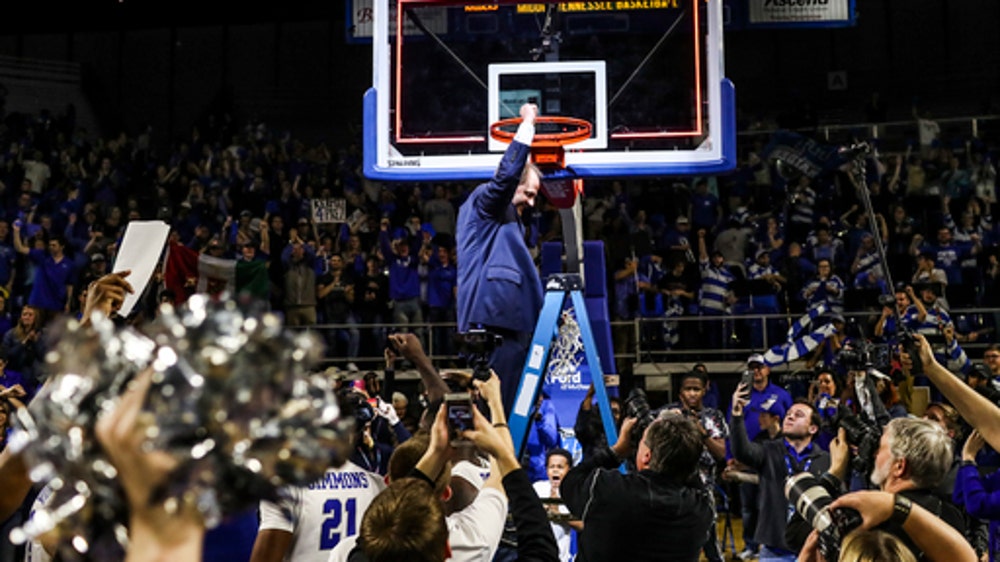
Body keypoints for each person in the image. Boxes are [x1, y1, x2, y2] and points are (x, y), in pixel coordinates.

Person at [456, 103, 544, 413]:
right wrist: (528, 124)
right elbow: (507, 176)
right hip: (494, 326)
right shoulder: (485, 202)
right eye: (529, 194)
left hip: (509, 328)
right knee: (500, 421)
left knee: (514, 420)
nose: (532, 203)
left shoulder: (508, 221)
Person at [560, 410, 713, 561]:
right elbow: (695, 479)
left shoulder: (608, 489)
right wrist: (683, 442)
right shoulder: (699, 510)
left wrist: (617, 451)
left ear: (647, 456)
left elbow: (571, 482)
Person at [731, 385, 830, 562]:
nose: (790, 416)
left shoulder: (825, 460)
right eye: (789, 413)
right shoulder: (768, 450)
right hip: (774, 551)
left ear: (813, 429)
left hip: (814, 550)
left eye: (798, 415)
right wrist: (737, 414)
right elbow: (741, 451)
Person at [660, 369, 728, 562]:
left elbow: (721, 453)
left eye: (696, 389)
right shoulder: (666, 413)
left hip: (703, 493)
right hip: (672, 492)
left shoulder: (714, 417)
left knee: (711, 546)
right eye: (687, 389)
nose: (691, 393)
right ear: (680, 392)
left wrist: (702, 433)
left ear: (704, 391)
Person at [532, 448, 579, 562]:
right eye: (552, 467)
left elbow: (582, 525)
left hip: (559, 557)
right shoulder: (537, 488)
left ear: (569, 470)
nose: (555, 471)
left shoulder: (575, 493)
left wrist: (558, 515)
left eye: (560, 467)